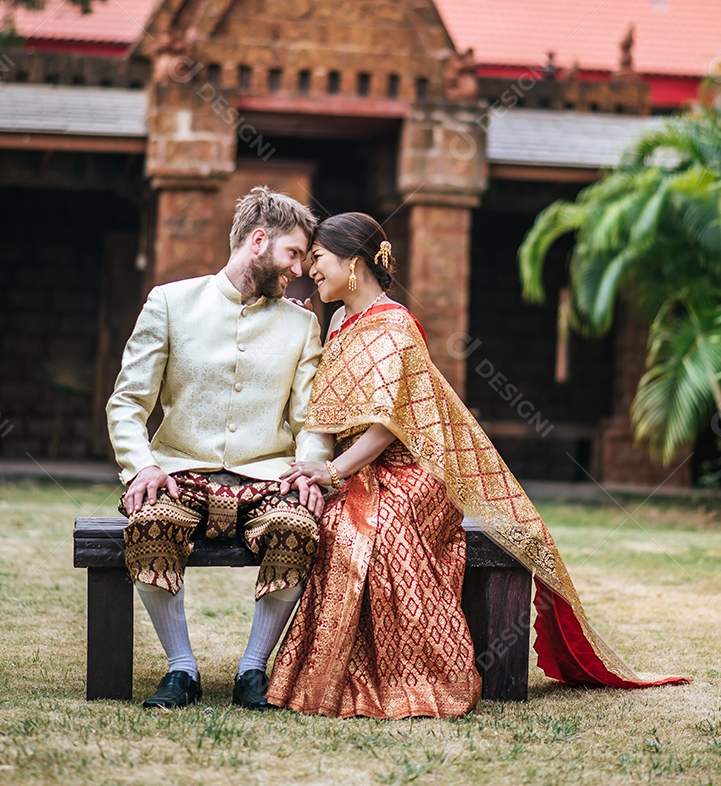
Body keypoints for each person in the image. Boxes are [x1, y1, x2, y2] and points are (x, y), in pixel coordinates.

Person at [267, 213, 688, 719]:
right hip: (357, 466)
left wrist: (334, 474)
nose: (309, 269)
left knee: (362, 528)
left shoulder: (397, 325)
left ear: (352, 262)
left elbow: (387, 426)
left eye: (316, 258)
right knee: (334, 521)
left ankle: (418, 676)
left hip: (407, 470)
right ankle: (336, 671)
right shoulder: (336, 322)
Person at [106, 186, 333, 711]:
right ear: (258, 241)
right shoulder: (169, 303)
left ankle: (253, 670)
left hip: (266, 476)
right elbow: (127, 403)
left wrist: (309, 469)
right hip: (178, 471)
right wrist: (141, 466)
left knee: (298, 528)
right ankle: (181, 669)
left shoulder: (301, 324)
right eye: (293, 253)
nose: (300, 269)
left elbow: (309, 418)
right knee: (147, 523)